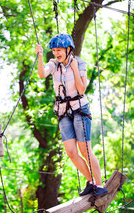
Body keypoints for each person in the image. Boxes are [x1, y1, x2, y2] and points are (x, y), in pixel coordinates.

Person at [35, 33, 108, 201]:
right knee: (71, 152)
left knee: (85, 150)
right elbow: (41, 74)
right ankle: (90, 182)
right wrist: (40, 56)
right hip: (62, 111)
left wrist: (74, 68)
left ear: (69, 49)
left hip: (79, 108)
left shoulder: (80, 63)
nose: (56, 53)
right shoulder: (54, 64)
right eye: (54, 50)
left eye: (59, 50)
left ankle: (99, 185)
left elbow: (81, 89)